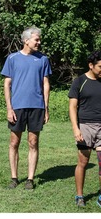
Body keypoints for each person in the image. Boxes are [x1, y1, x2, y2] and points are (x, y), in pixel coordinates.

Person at [1, 26, 52, 190]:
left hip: (36, 107)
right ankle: (14, 177)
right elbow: (7, 84)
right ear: (26, 40)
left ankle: (30, 179)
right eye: (36, 39)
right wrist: (9, 108)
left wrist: (46, 107)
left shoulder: (43, 59)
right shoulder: (12, 58)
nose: (39, 42)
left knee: (33, 142)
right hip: (18, 107)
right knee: (14, 142)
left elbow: (45, 84)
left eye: (39, 39)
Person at [68, 50, 101, 207]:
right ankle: (79, 196)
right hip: (85, 126)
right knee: (83, 161)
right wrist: (76, 129)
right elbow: (72, 107)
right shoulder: (80, 82)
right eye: (100, 66)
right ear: (91, 65)